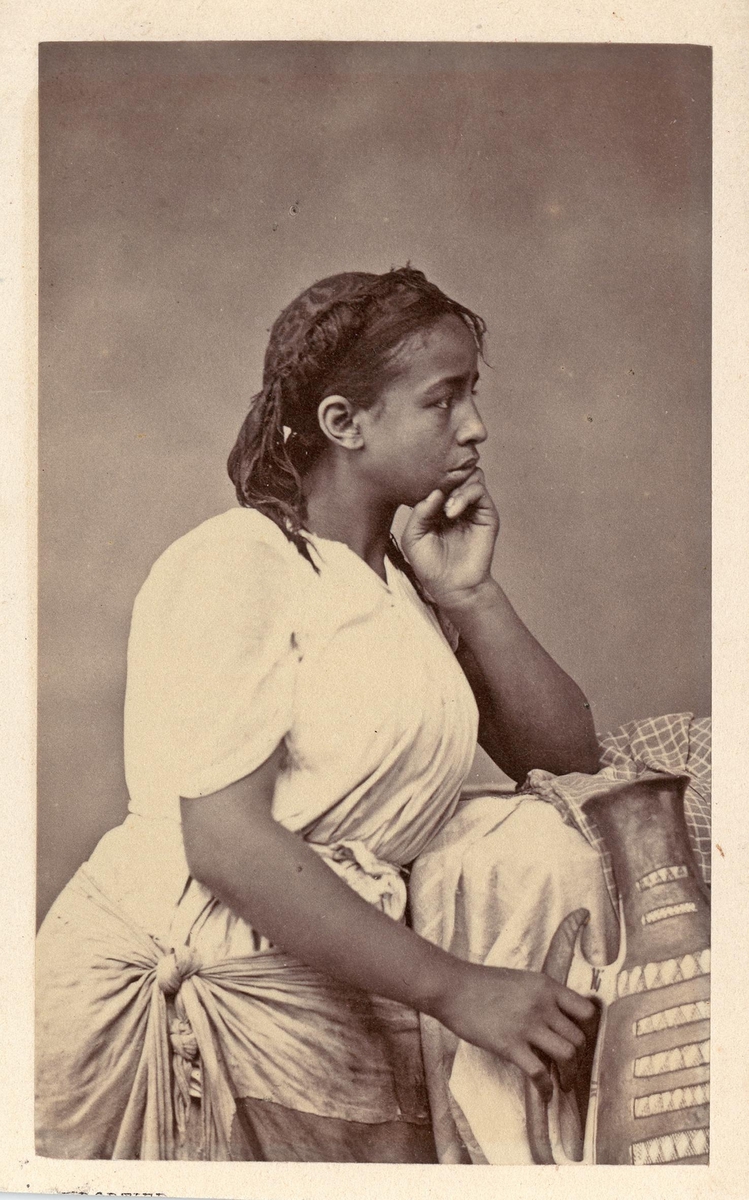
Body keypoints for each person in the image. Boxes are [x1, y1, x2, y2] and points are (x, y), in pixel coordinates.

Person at [36, 266, 604, 1163]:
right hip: (193, 991)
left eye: (473, 395)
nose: (475, 426)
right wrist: (458, 989)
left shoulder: (403, 586)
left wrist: (471, 594)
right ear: (343, 422)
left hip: (339, 989)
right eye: (442, 400)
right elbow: (226, 843)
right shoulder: (239, 563)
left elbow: (569, 764)